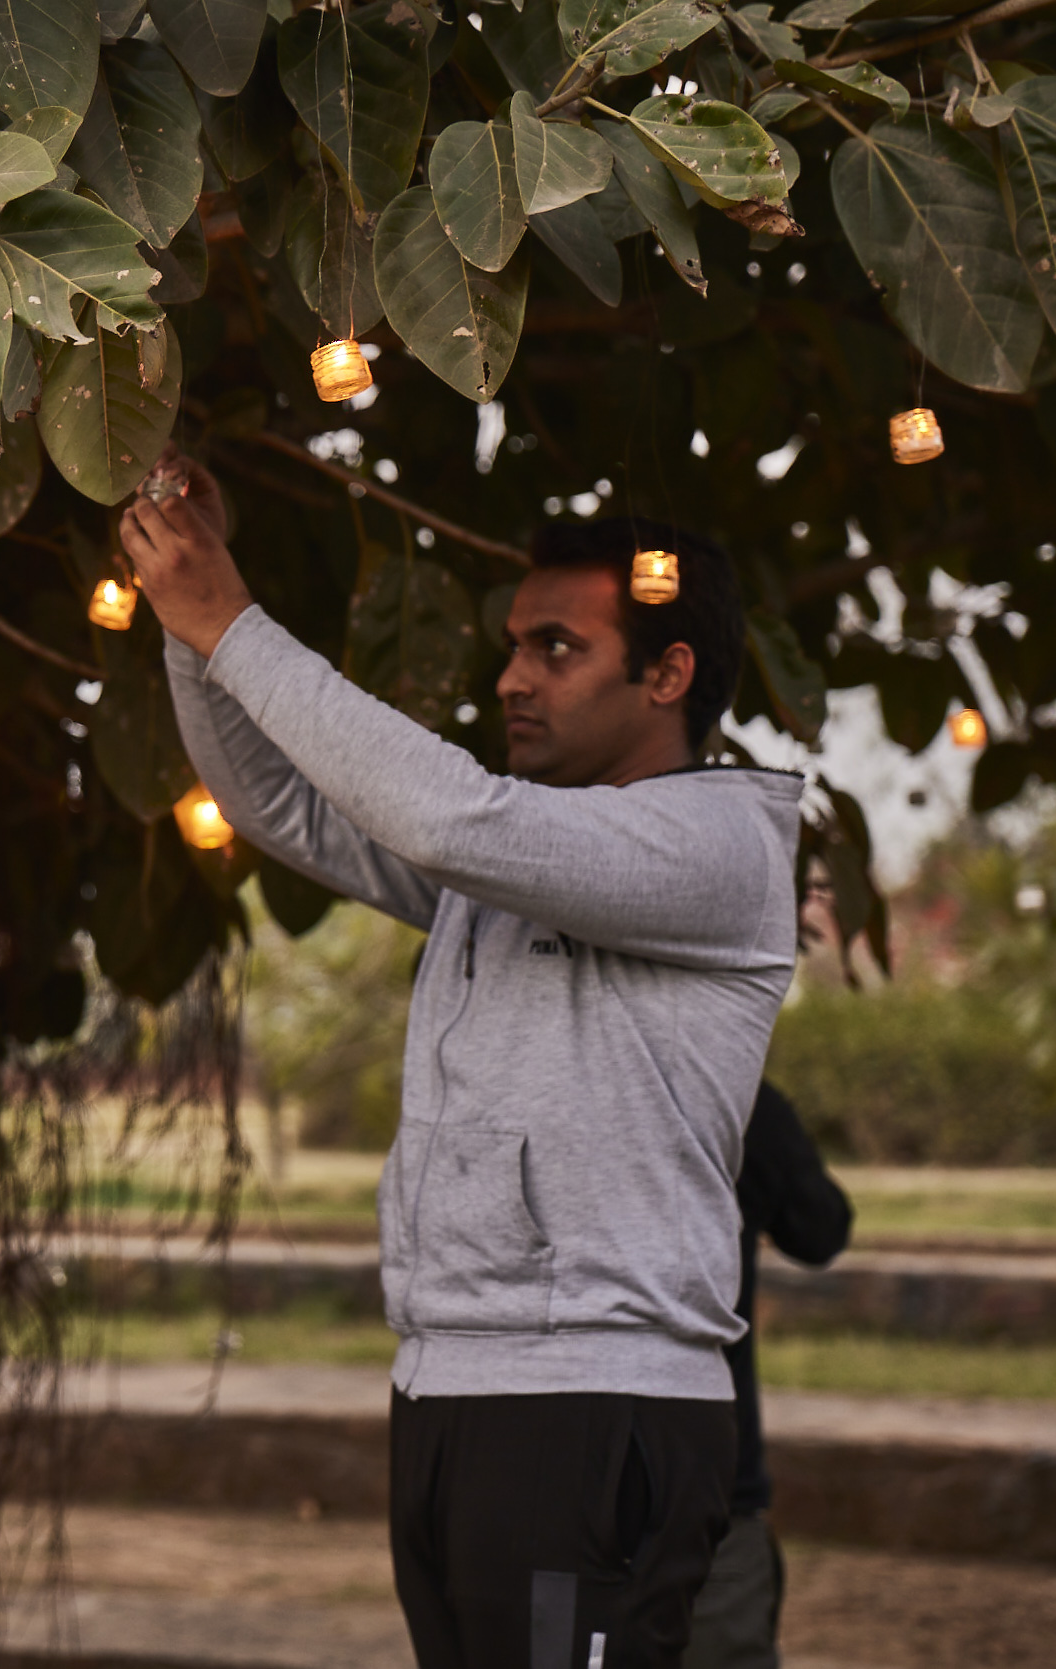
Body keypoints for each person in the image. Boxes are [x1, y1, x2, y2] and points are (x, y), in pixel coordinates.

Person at [124, 459, 801, 1669]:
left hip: (596, 1402)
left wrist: (230, 618)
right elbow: (280, 802)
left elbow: (450, 816)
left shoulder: (720, 843)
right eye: (513, 645)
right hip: (450, 1388)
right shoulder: (510, 858)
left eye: (555, 647)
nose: (508, 677)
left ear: (668, 674)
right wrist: (190, 638)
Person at [684, 1081, 852, 1669]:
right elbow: (820, 1229)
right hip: (706, 1471)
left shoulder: (535, 1079)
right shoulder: (729, 1092)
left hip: (543, 1460)